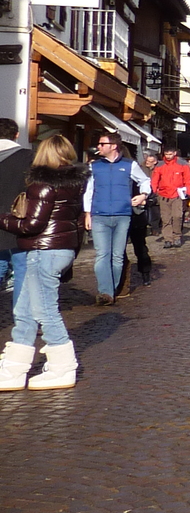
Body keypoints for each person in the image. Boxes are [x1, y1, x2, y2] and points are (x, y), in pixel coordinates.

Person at [0, 134, 89, 390]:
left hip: (43, 250)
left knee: (43, 311)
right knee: (25, 312)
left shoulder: (43, 185)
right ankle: (15, 367)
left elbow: (32, 224)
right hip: (58, 248)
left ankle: (63, 366)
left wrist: (4, 219)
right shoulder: (74, 184)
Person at [82, 132, 151, 305]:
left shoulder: (129, 165)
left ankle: (111, 290)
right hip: (99, 215)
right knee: (102, 254)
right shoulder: (94, 167)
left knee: (117, 256)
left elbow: (145, 181)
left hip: (122, 215)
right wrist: (87, 213)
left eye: (102, 144)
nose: (98, 147)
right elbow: (88, 191)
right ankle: (105, 292)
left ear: (113, 146)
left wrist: (143, 195)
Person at [0, 119, 31, 292]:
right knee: (22, 269)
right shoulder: (28, 157)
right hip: (18, 220)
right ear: (16, 135)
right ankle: (22, 317)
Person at [150, 146, 190, 248]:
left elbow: (188, 179)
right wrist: (154, 191)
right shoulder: (160, 165)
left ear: (174, 153)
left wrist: (189, 192)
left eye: (170, 154)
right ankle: (168, 239)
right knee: (166, 218)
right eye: (166, 154)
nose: (168, 156)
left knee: (177, 216)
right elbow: (155, 179)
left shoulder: (183, 164)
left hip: (177, 194)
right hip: (163, 195)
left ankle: (177, 236)